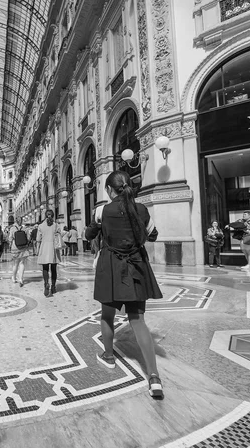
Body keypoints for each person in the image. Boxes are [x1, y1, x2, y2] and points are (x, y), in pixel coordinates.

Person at [85, 171, 163, 399]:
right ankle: (154, 377)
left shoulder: (102, 211)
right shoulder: (142, 210)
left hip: (110, 267)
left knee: (107, 315)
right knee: (138, 320)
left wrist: (97, 225)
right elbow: (154, 235)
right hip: (136, 266)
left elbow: (89, 233)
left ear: (110, 189)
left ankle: (108, 356)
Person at [37, 210, 62, 296]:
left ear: (45, 215)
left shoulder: (41, 226)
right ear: (53, 215)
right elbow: (59, 235)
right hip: (53, 249)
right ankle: (53, 287)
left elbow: (37, 239)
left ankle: (46, 283)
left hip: (44, 248)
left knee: (45, 268)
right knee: (54, 269)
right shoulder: (56, 225)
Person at [9, 216, 29, 287]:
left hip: (15, 247)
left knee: (15, 263)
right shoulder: (25, 228)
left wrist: (10, 246)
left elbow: (10, 238)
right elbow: (28, 238)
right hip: (23, 247)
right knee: (22, 263)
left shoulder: (12, 228)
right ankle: (21, 279)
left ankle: (14, 278)